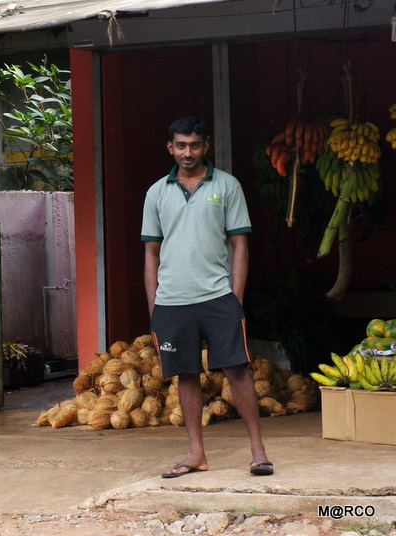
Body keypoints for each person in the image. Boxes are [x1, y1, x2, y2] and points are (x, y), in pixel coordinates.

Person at [141, 116, 272, 478]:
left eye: (194, 145)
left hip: (218, 297)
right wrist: (154, 305)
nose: (187, 152)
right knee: (185, 374)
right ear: (170, 148)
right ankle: (196, 454)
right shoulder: (156, 193)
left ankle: (258, 451)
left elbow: (240, 246)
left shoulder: (227, 186)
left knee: (237, 370)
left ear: (206, 146)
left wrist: (235, 298)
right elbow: (151, 253)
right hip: (172, 302)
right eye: (180, 145)